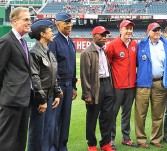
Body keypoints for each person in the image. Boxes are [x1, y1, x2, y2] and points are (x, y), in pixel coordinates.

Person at [27, 19, 63, 151]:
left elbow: (53, 75)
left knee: (47, 132)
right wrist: (42, 100)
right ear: (42, 34)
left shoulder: (49, 52)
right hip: (40, 100)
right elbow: (34, 78)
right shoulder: (34, 52)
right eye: (50, 30)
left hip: (49, 97)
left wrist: (57, 94)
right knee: (36, 134)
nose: (52, 32)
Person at [135, 22, 167, 149]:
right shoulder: (141, 44)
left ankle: (155, 139)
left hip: (159, 82)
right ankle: (141, 139)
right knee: (140, 113)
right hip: (143, 83)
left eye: (158, 30)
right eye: (154, 30)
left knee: (158, 114)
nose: (157, 32)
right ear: (148, 31)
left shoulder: (166, 45)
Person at [0, 7, 32, 151]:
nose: (29, 22)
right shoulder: (7, 41)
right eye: (26, 19)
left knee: (20, 140)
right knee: (6, 142)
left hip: (24, 99)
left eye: (30, 19)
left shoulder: (23, 42)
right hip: (11, 100)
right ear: (14, 21)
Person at [80, 26, 115, 151]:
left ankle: (105, 143)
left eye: (105, 35)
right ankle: (92, 144)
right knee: (92, 117)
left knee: (107, 116)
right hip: (95, 87)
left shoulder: (103, 50)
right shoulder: (86, 52)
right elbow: (84, 76)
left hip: (107, 84)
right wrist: (87, 94)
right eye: (101, 35)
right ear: (94, 36)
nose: (104, 37)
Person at [106, 20, 138, 150]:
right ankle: (111, 140)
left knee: (127, 113)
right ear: (120, 30)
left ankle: (126, 138)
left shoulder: (134, 44)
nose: (129, 31)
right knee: (113, 114)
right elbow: (107, 66)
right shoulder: (112, 45)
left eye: (131, 29)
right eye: (127, 28)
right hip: (117, 87)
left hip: (131, 86)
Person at [49, 12, 77, 151]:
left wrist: (74, 86)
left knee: (65, 120)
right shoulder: (53, 41)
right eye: (66, 23)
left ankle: (62, 146)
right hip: (58, 87)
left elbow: (73, 65)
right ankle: (53, 147)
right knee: (54, 121)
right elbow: (52, 68)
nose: (69, 25)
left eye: (70, 22)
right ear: (57, 24)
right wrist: (56, 90)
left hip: (68, 86)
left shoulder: (70, 41)